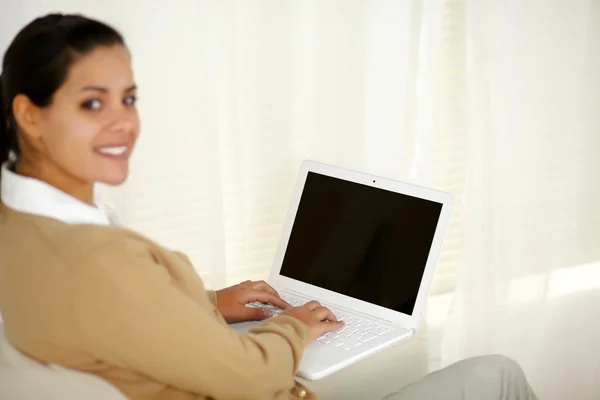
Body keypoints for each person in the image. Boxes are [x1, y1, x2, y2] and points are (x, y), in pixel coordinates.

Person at [0, 13, 538, 400]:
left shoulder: (21, 230)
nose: (123, 122)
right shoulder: (96, 260)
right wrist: (295, 328)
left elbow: (117, 323)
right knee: (498, 373)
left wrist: (213, 303)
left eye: (129, 98)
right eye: (93, 103)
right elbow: (250, 377)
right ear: (29, 116)